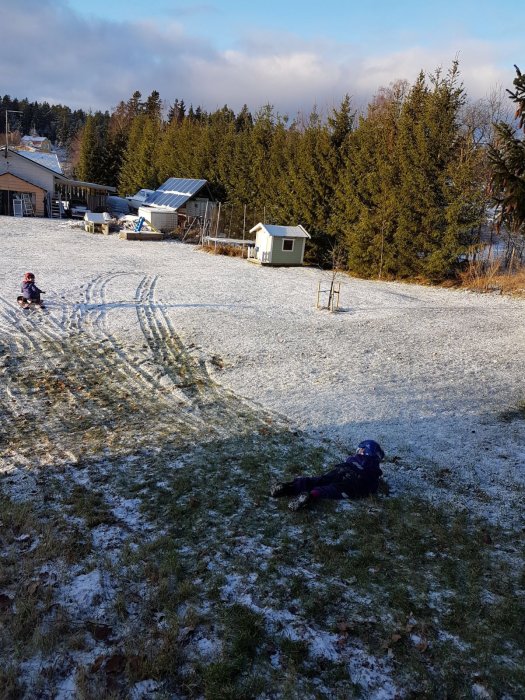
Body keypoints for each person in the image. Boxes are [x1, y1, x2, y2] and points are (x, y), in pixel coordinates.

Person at [270, 440, 385, 511]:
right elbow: (371, 486)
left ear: (363, 450)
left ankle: (289, 487)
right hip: (355, 482)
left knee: (320, 480)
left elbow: (347, 462)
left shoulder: (354, 458)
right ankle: (311, 495)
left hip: (342, 471)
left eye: (359, 449)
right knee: (334, 489)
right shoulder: (374, 469)